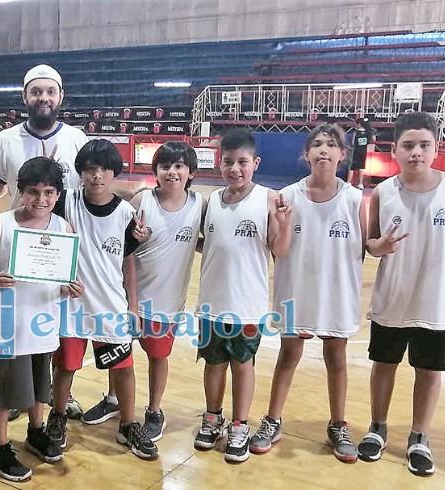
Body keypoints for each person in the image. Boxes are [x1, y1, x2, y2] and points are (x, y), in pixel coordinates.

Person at [356, 112, 445, 476]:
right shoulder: (384, 191)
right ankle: (378, 427)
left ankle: (419, 436)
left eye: (424, 145)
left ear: (436, 148)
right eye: (408, 145)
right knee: (384, 365)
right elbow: (370, 243)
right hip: (393, 297)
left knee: (429, 370)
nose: (416, 153)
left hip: (437, 300)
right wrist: (379, 246)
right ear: (395, 150)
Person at [249, 123, 366, 463]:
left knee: (336, 359)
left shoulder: (356, 199)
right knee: (288, 357)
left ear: (343, 155)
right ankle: (273, 419)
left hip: (337, 292)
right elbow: (279, 251)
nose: (324, 150)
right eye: (317, 144)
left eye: (332, 145)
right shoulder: (288, 196)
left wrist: (381, 244)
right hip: (296, 289)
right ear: (307, 154)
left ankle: (338, 424)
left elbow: (368, 246)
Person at [0, 64, 94, 420]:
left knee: (56, 327)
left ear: (60, 96)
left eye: (50, 91)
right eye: (36, 91)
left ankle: (58, 395)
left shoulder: (78, 139)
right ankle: (17, 395)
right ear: (25, 97)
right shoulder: (6, 140)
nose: (43, 98)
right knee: (19, 325)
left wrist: (136, 198)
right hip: (17, 251)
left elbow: (94, 188)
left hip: (61, 249)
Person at [80, 142, 203, 443]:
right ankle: (113, 399)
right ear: (156, 172)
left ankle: (154, 410)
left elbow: (205, 240)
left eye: (179, 166)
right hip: (126, 295)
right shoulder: (141, 200)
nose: (172, 172)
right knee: (118, 351)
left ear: (190, 172)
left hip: (168, 300)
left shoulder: (200, 204)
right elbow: (121, 245)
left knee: (157, 357)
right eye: (165, 166)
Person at [46, 139, 158, 460]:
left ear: (114, 173)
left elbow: (128, 262)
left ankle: (128, 423)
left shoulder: (126, 214)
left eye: (104, 170)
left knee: (123, 367)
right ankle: (58, 415)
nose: (97, 176)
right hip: (71, 305)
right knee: (66, 366)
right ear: (80, 173)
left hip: (110, 305)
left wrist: (133, 307)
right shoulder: (66, 201)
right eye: (90, 169)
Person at [0, 157, 84, 481]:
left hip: (44, 320)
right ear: (20, 192)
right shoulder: (2, 224)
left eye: (49, 192)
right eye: (33, 192)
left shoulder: (63, 228)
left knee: (41, 382)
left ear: (58, 194)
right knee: (6, 387)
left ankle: (36, 431)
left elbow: (64, 277)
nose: (41, 200)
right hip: (10, 321)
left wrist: (70, 289)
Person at [193, 129, 292, 463]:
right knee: (213, 364)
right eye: (228, 162)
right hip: (211, 303)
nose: (235, 168)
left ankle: (239, 424)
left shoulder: (268, 199)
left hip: (247, 306)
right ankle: (212, 417)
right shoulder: (211, 202)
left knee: (242, 364)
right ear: (219, 163)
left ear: (256, 163)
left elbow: (280, 250)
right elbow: (202, 244)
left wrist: (281, 223)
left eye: (242, 162)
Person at [347, 117, 376, 190]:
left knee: (351, 167)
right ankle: (360, 184)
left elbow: (353, 143)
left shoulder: (356, 132)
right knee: (361, 167)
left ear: (359, 124)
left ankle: (348, 183)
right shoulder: (368, 132)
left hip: (355, 151)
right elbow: (373, 140)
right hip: (363, 151)